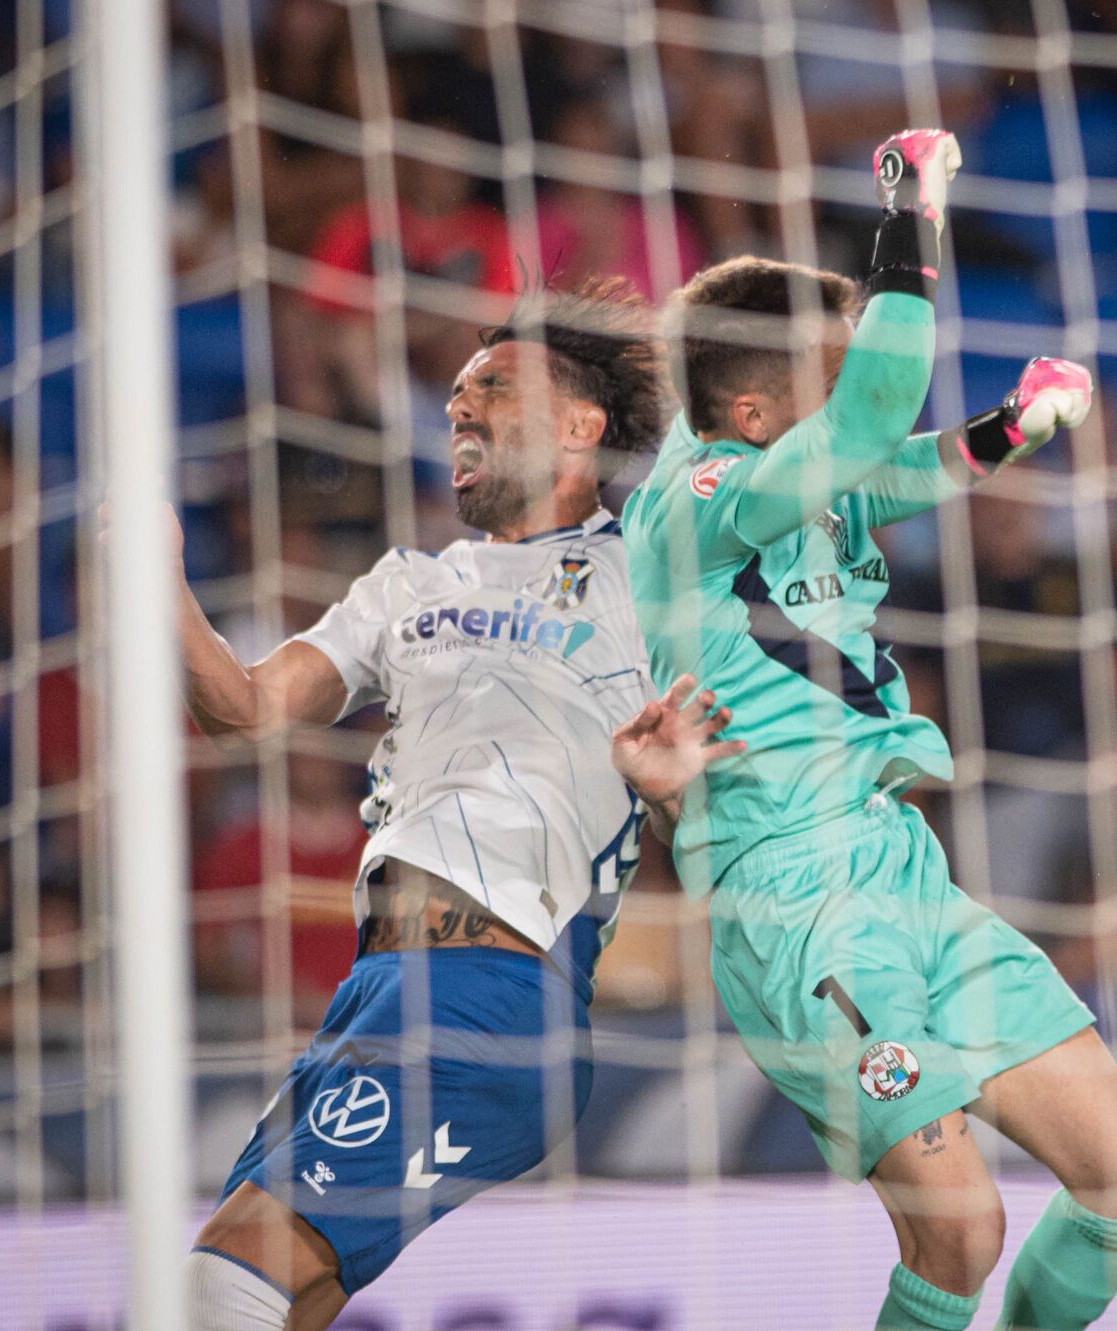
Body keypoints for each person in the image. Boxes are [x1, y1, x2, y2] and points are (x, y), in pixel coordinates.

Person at [618, 129, 1117, 1331]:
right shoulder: (695, 503)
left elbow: (900, 465)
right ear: (756, 407)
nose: (848, 415)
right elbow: (874, 415)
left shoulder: (788, 480)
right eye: (823, 386)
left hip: (899, 867)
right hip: (792, 897)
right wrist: (908, 212)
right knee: (959, 1228)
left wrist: (1007, 428)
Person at [176, 279, 733, 1329]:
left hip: (491, 994)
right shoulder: (406, 585)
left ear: (581, 424)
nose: (458, 404)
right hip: (376, 990)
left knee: (221, 1283)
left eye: (494, 385)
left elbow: (716, 818)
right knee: (273, 1301)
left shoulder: (649, 584)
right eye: (458, 387)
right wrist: (157, 579)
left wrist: (672, 799)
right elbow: (241, 707)